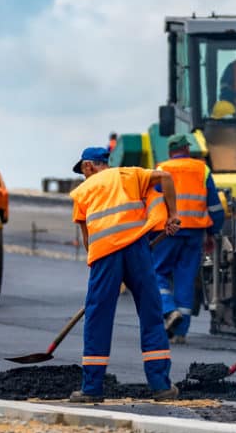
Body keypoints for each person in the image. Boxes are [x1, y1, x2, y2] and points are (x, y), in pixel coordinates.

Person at [68, 146, 182, 403]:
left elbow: (87, 240)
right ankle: (161, 385)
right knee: (151, 314)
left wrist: (102, 275)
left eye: (83, 171)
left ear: (88, 166)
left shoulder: (83, 192)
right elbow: (165, 177)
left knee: (98, 317)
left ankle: (92, 388)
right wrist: (173, 214)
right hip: (137, 249)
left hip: (105, 255)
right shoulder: (129, 175)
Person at [152, 133, 225, 344]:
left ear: (170, 151)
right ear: (187, 149)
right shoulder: (202, 169)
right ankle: (180, 332)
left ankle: (168, 310)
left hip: (168, 231)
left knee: (156, 272)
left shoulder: (162, 168)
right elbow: (214, 206)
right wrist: (213, 232)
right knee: (185, 279)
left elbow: (153, 201)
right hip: (195, 233)